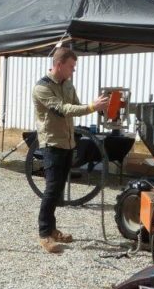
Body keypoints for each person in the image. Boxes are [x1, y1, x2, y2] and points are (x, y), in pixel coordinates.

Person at [31, 46, 110, 253]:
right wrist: (92, 107)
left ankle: (53, 229)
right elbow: (62, 110)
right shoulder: (42, 88)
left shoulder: (67, 85)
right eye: (71, 67)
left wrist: (96, 106)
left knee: (56, 190)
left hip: (68, 144)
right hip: (52, 144)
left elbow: (76, 106)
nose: (73, 71)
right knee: (51, 190)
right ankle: (44, 234)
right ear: (59, 65)